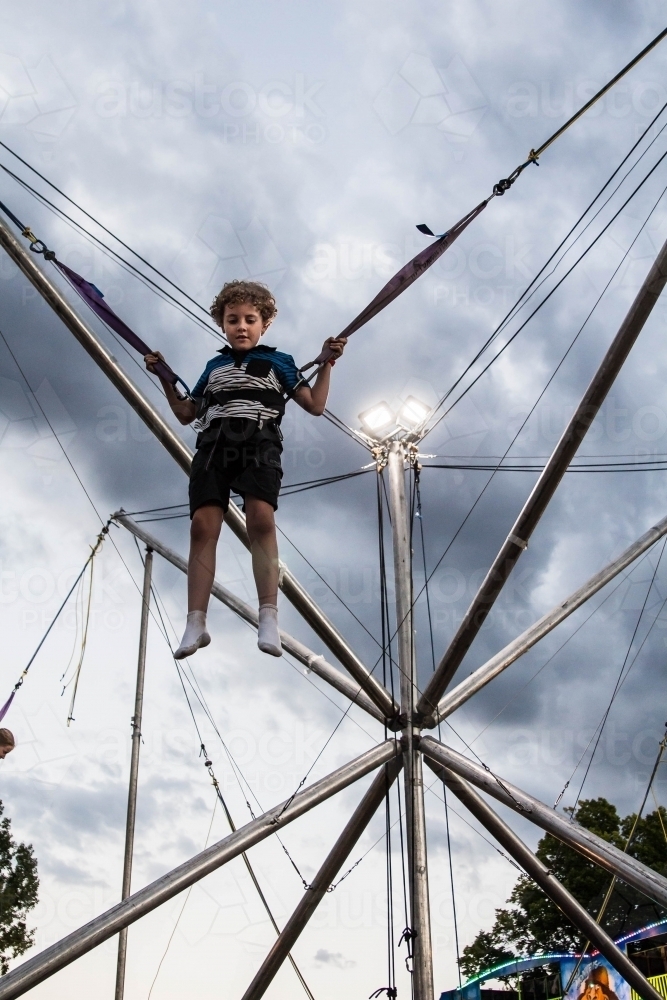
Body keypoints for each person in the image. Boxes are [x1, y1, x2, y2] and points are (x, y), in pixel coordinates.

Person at [145, 279, 346, 659]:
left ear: (263, 325)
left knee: (260, 520)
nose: (241, 326)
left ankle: (268, 615)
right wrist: (164, 377)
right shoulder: (214, 366)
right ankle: (196, 621)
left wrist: (327, 363)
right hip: (214, 444)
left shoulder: (280, 362)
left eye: (249, 319)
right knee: (202, 526)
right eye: (232, 319)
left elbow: (315, 404)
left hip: (258, 441)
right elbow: (188, 413)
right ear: (222, 323)